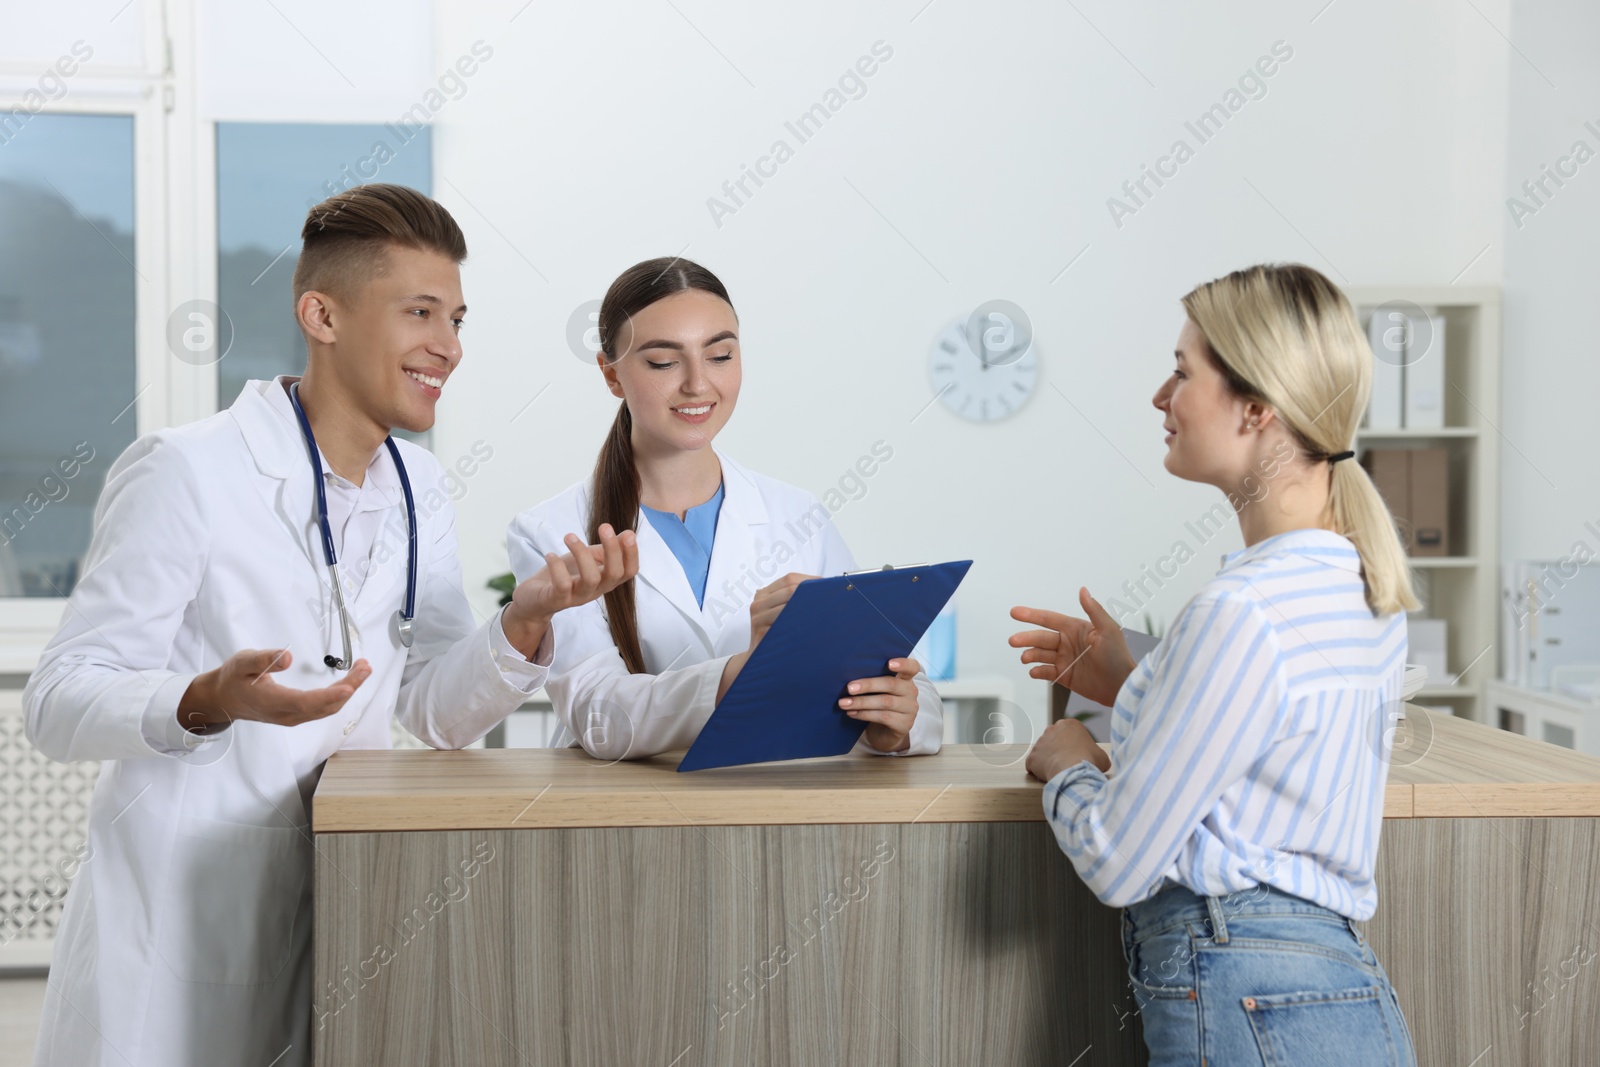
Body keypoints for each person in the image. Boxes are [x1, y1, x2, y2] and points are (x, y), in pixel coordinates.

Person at [23, 183, 637, 1067]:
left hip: (345, 905)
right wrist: (204, 699)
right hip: (173, 931)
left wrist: (525, 620)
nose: (448, 347)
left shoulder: (417, 487)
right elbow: (58, 699)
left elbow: (432, 708)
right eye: (420, 312)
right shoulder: (187, 470)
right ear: (323, 314)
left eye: (458, 318)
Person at [1011, 264, 1417, 1065]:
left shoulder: (1241, 611)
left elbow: (1119, 859)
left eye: (1182, 371)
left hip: (1247, 986)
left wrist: (1068, 763)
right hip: (1340, 991)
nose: (1162, 398)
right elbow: (1267, 760)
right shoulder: (1361, 584)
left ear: (1258, 408)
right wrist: (1136, 682)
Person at [507, 257, 943, 760]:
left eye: (719, 356)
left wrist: (895, 725)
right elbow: (600, 718)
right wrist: (744, 670)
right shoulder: (551, 530)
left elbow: (908, 682)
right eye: (663, 362)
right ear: (611, 375)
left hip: (779, 812)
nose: (697, 384)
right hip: (626, 821)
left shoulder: (798, 514)